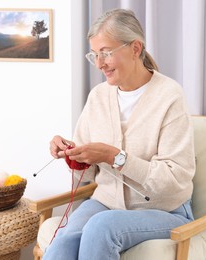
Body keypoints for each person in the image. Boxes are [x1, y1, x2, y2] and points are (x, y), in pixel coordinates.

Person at [44, 8, 195, 260]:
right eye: (94, 55)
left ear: (135, 48)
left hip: (165, 210)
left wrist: (116, 157)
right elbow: (85, 175)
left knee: (101, 227)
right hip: (104, 201)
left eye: (106, 53)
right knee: (62, 244)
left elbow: (174, 179)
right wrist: (71, 154)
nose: (100, 63)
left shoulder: (169, 96)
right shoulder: (98, 96)